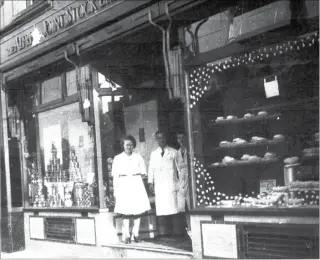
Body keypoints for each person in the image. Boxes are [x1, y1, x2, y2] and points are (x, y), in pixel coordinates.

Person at [112, 135, 151, 244]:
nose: (129, 147)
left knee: (138, 211)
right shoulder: (118, 158)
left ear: (133, 145)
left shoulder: (138, 157)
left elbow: (143, 173)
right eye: (127, 145)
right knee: (126, 212)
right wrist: (116, 190)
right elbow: (115, 176)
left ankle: (136, 234)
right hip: (123, 184)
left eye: (131, 145)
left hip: (136, 183)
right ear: (123, 146)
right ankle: (126, 235)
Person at [148, 130, 179, 237]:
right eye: (159, 138)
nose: (161, 140)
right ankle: (164, 234)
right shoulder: (154, 154)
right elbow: (151, 169)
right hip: (159, 185)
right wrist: (150, 182)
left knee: (173, 208)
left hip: (171, 183)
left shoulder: (174, 152)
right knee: (161, 209)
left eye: (163, 137)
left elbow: (179, 169)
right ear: (156, 139)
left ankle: (176, 233)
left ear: (166, 138)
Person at [175, 131, 192, 238]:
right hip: (182, 182)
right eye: (179, 138)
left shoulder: (190, 150)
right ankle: (189, 229)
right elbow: (178, 169)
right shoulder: (177, 153)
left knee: (191, 206)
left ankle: (193, 230)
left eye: (182, 137)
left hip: (191, 181)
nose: (181, 140)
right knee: (184, 208)